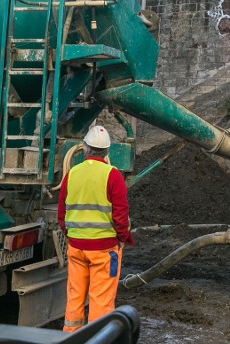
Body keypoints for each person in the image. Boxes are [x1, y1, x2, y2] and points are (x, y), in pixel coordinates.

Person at [58, 125, 134, 333]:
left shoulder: (72, 174)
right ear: (107, 151)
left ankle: (71, 336)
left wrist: (72, 235)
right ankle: (98, 337)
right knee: (101, 301)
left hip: (76, 248)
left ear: (84, 148)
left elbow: (62, 213)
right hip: (103, 250)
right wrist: (123, 237)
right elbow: (120, 214)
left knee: (75, 297)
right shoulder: (113, 175)